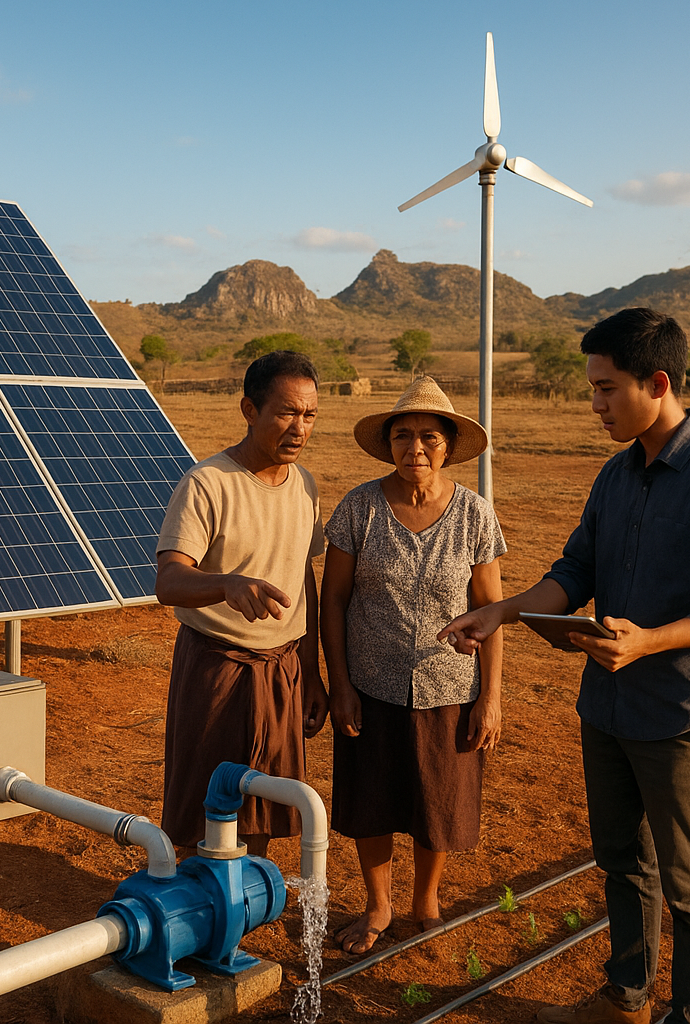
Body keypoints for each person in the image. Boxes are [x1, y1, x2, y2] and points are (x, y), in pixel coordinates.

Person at [439, 308, 690, 1024]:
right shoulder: (616, 476)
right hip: (607, 706)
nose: (594, 405)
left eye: (607, 389)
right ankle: (627, 996)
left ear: (657, 382)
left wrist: (648, 641)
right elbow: (575, 569)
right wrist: (508, 611)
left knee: (689, 881)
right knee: (620, 860)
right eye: (591, 389)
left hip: (679, 713)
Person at [320, 376, 505, 954]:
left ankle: (426, 901)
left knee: (437, 801)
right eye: (403, 435)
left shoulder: (474, 515)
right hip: (370, 685)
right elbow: (333, 600)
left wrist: (491, 697)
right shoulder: (361, 507)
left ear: (449, 445)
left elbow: (490, 610)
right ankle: (378, 906)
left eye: (429, 436)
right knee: (370, 797)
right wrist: (340, 685)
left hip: (449, 686)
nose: (415, 447)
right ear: (388, 444)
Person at [155, 349, 329, 858]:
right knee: (202, 806)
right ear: (249, 410)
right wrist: (225, 584)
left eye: (310, 415)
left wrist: (312, 671)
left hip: (284, 670)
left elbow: (304, 579)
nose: (299, 428)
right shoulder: (207, 484)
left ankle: (243, 901)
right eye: (286, 412)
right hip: (217, 668)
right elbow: (169, 580)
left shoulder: (306, 486)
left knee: (265, 806)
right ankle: (196, 911)